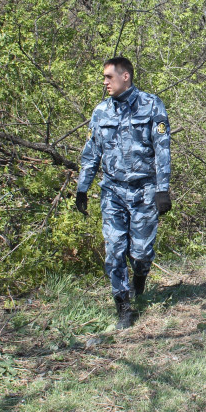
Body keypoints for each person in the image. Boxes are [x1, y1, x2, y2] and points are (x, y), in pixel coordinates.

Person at [75, 56, 172, 329]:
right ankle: (124, 307)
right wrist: (83, 187)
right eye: (104, 77)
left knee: (140, 253)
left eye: (109, 77)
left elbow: (162, 149)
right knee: (114, 250)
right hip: (112, 191)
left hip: (144, 191)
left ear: (125, 76)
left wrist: (162, 190)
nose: (105, 82)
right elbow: (91, 152)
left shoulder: (151, 104)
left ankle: (140, 278)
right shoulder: (101, 111)